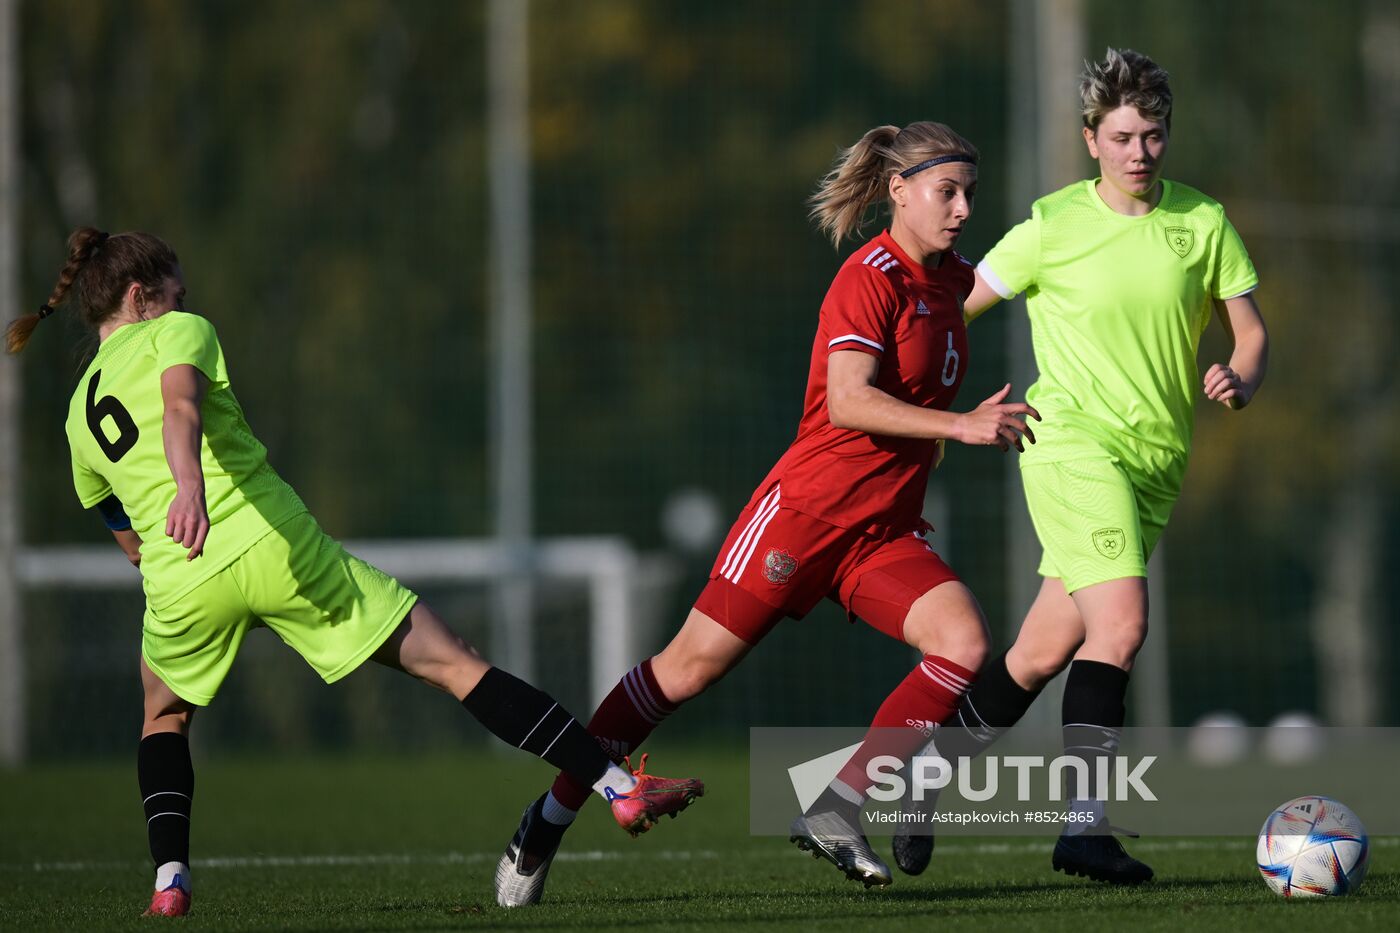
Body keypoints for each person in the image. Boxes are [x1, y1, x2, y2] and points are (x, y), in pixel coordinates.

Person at [5, 228, 704, 918]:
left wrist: (171, 543)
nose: (187, 299)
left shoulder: (76, 416)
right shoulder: (177, 330)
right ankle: (614, 784)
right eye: (177, 290)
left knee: (162, 712)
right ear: (140, 295)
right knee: (454, 662)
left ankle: (169, 878)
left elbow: (121, 531)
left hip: (181, 576)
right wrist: (190, 481)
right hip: (272, 543)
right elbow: (182, 404)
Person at [493, 121, 1039, 907]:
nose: (961, 209)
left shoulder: (952, 282)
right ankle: (546, 820)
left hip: (878, 532)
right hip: (805, 514)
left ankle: (837, 805)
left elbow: (912, 400)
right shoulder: (869, 275)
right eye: (946, 191)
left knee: (962, 641)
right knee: (686, 669)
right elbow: (848, 401)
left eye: (969, 194)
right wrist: (960, 425)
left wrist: (962, 423)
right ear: (898, 189)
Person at [891, 48, 1269, 885]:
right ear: (1092, 138)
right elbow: (945, 302)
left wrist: (1239, 376)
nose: (1141, 152)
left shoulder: (1202, 222)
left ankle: (921, 778)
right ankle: (1083, 827)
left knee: (1038, 649)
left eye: (1155, 135)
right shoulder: (1050, 225)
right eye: (1125, 135)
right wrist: (902, 397)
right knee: (1122, 626)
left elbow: (1249, 331)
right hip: (1070, 444)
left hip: (1155, 463)